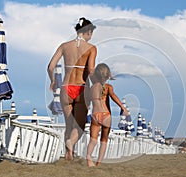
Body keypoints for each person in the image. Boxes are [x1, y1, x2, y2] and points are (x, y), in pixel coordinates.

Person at [47, 17, 97, 161]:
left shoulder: (64, 46)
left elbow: (51, 66)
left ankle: (69, 155)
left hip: (66, 87)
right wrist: (97, 85)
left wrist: (52, 81)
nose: (91, 36)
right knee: (80, 125)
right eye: (91, 33)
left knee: (69, 124)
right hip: (82, 87)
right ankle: (71, 143)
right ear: (87, 32)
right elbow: (91, 70)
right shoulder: (91, 48)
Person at [86, 63, 128, 167]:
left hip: (95, 114)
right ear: (107, 75)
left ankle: (88, 157)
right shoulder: (108, 87)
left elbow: (88, 104)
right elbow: (114, 97)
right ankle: (99, 162)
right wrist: (123, 108)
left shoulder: (92, 88)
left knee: (93, 139)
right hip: (106, 115)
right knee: (104, 140)